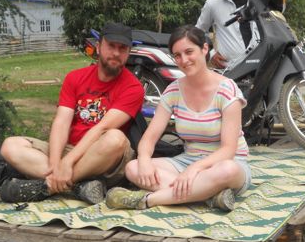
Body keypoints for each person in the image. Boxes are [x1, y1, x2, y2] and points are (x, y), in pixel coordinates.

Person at [105, 25, 252, 211]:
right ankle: (208, 196)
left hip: (225, 164)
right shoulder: (173, 90)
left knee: (227, 170)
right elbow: (149, 138)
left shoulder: (227, 90)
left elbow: (228, 150)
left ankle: (149, 200)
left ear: (205, 49)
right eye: (177, 55)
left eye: (189, 52)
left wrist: (194, 170)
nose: (184, 60)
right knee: (133, 168)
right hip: (186, 160)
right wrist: (143, 160)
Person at [0, 22, 145, 204]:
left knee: (115, 138)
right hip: (70, 148)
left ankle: (46, 187)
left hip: (103, 157)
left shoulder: (133, 87)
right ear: (98, 47)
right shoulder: (75, 77)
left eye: (122, 48)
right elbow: (61, 122)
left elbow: (102, 128)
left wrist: (67, 164)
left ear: (128, 53)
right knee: (10, 146)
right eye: (111, 46)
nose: (116, 53)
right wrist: (55, 163)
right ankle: (77, 187)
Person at [196, 0, 258, 69]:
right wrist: (209, 54)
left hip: (260, 65)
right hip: (228, 70)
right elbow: (197, 32)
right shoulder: (212, 4)